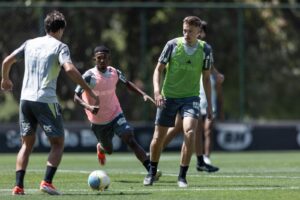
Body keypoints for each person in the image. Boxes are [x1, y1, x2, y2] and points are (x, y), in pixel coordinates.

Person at [1, 10, 98, 195]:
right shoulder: (60, 47)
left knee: (26, 144)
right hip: (45, 100)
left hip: (25, 99)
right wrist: (88, 89)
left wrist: (5, 80)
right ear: (61, 29)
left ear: (46, 27)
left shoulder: (29, 43)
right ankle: (47, 182)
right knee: (58, 142)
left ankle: (18, 186)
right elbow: (69, 69)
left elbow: (7, 61)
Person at [143, 16, 213, 188]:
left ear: (198, 31)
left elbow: (206, 79)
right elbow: (157, 70)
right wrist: (157, 92)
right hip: (169, 97)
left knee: (189, 132)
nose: (186, 34)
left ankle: (182, 176)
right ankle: (151, 171)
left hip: (191, 98)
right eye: (184, 31)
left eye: (190, 31)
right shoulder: (172, 45)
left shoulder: (205, 49)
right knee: (158, 137)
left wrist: (210, 104)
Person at [74, 45, 161, 180]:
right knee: (109, 150)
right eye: (99, 58)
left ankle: (150, 170)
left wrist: (143, 93)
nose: (102, 61)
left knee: (130, 139)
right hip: (98, 121)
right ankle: (101, 148)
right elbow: (76, 97)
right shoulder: (88, 77)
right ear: (94, 59)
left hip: (115, 114)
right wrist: (89, 107)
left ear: (109, 59)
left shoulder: (114, 72)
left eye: (105, 58)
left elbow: (127, 83)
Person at [162, 20, 224, 173]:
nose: (200, 33)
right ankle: (154, 152)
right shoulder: (184, 45)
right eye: (187, 30)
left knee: (202, 128)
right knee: (180, 128)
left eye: (202, 30)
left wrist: (216, 75)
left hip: (199, 92)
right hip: (190, 91)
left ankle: (203, 159)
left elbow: (209, 67)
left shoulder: (204, 48)